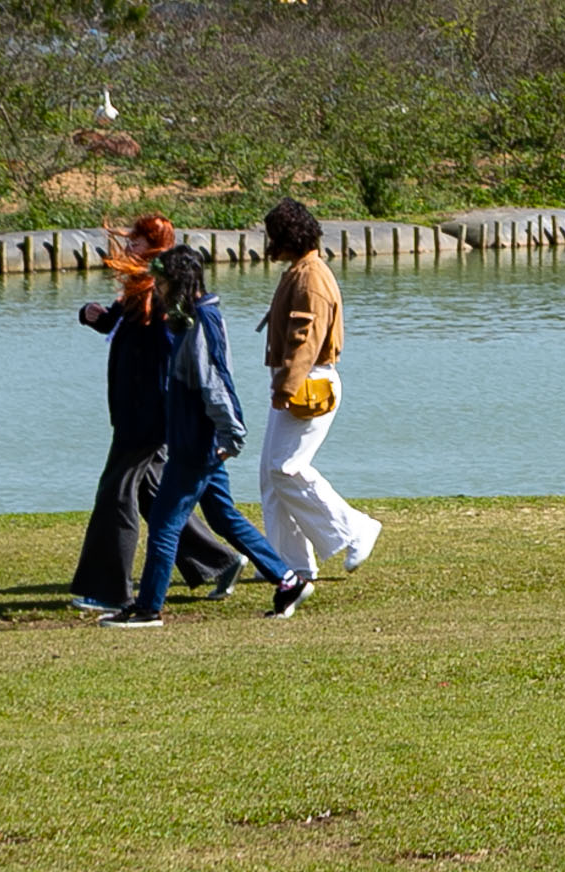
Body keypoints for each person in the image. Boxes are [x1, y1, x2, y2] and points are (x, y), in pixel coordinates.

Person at [100, 245, 306, 627]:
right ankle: (288, 579)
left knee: (164, 523)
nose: (157, 290)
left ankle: (148, 609)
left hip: (196, 445)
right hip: (195, 442)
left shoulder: (199, 326)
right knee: (223, 516)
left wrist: (231, 437)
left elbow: (215, 387)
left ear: (180, 284)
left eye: (161, 283)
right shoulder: (189, 320)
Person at [67, 215, 244, 613]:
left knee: (116, 493)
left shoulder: (161, 291)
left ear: (156, 246)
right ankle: (218, 562)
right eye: (130, 240)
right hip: (132, 409)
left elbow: (171, 347)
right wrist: (95, 316)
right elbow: (127, 328)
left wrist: (179, 409)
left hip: (147, 413)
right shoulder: (142, 286)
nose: (129, 247)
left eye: (137, 241)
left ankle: (109, 589)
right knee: (151, 493)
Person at [256, 198, 382, 586]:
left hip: (309, 384)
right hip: (296, 381)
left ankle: (355, 528)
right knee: (271, 475)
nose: (268, 242)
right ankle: (289, 564)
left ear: (287, 236)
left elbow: (304, 340)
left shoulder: (310, 277)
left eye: (273, 235)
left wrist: (287, 384)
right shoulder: (301, 270)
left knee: (287, 468)